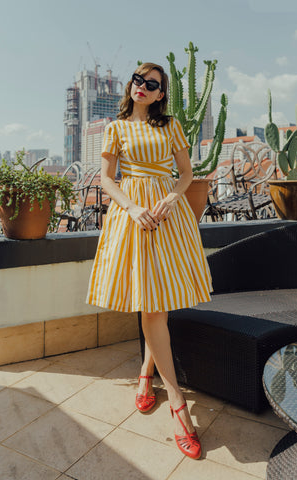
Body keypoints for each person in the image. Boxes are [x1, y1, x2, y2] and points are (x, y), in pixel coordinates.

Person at [86, 62, 212, 460]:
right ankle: (177, 404)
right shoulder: (116, 127)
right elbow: (107, 179)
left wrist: (174, 197)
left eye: (151, 84)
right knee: (151, 305)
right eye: (138, 80)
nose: (141, 86)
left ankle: (146, 374)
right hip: (134, 216)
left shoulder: (170, 124)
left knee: (157, 303)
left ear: (161, 94)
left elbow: (187, 172)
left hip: (168, 216)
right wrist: (131, 207)